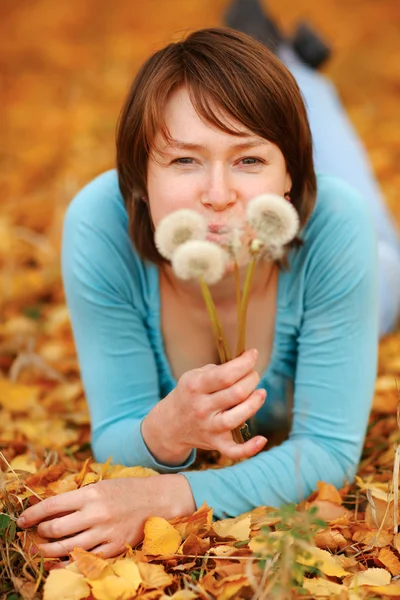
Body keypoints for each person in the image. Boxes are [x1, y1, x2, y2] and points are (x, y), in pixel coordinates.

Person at [17, 26, 379, 560]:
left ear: (290, 178)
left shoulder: (337, 227)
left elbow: (327, 452)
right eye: (185, 160)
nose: (217, 195)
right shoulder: (100, 225)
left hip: (373, 271)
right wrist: (166, 429)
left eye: (250, 160)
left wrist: (168, 494)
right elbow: (118, 430)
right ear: (138, 176)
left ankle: (298, 67)